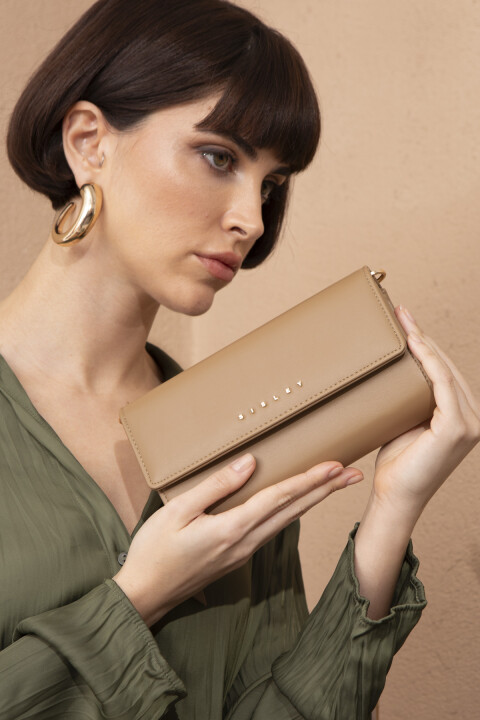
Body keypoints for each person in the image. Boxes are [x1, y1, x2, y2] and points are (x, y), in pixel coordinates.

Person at [0, 0, 478, 718]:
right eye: (219, 157)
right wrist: (139, 597)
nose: (252, 221)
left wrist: (391, 513)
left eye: (272, 185)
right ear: (89, 142)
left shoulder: (238, 436)